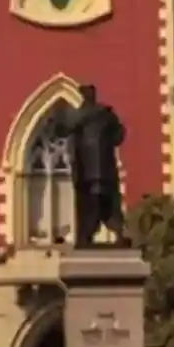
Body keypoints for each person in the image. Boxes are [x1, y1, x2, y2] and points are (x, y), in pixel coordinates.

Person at [50, 83, 126, 247]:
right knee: (108, 201)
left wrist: (56, 118)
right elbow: (119, 135)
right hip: (105, 170)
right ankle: (117, 232)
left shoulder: (79, 115)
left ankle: (87, 236)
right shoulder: (106, 115)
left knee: (90, 204)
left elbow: (60, 130)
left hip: (87, 171)